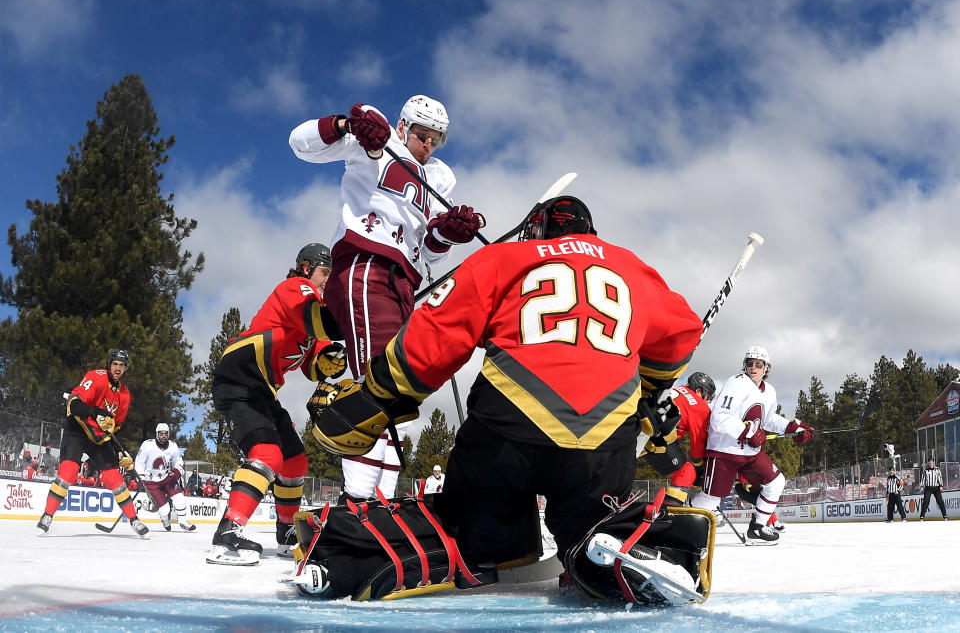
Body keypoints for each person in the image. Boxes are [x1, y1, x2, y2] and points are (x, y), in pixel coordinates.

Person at [310, 196, 714, 603]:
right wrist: (648, 389)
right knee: (594, 521)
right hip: (607, 435)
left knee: (474, 521)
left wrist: (377, 396)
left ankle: (486, 551)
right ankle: (607, 550)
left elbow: (434, 337)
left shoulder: (502, 257)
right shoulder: (631, 266)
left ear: (535, 229)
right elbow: (682, 334)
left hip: (512, 422)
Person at [290, 95, 485, 502]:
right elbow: (300, 143)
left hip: (404, 284)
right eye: (422, 135)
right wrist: (344, 125)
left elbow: (432, 251)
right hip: (366, 264)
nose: (427, 145)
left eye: (436, 140)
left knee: (396, 393)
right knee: (374, 385)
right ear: (403, 127)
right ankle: (356, 505)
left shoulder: (442, 178)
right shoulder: (377, 142)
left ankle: (384, 504)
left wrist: (450, 230)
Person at [206, 243, 344, 566]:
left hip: (262, 388)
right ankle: (226, 535)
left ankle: (285, 534)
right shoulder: (296, 287)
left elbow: (313, 361)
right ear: (307, 267)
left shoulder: (313, 306)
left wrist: (329, 362)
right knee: (268, 454)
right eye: (326, 273)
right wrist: (349, 317)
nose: (328, 280)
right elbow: (320, 321)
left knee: (295, 462)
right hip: (240, 376)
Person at [690, 346, 815, 545]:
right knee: (711, 500)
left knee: (776, 482)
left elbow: (768, 419)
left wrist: (792, 427)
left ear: (766, 368)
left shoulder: (770, 391)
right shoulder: (735, 383)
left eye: (759, 364)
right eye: (750, 363)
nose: (754, 368)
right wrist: (748, 432)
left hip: (750, 453)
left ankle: (757, 527)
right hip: (724, 451)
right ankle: (682, 519)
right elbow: (720, 418)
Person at [36, 349, 150, 539]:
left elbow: (116, 427)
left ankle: (134, 520)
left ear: (125, 368)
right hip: (78, 429)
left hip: (98, 437)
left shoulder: (125, 395)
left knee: (115, 479)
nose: (118, 368)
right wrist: (95, 412)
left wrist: (120, 451)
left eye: (122, 365)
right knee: (68, 472)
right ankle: (47, 515)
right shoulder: (96, 377)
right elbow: (73, 404)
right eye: (115, 364)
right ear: (109, 365)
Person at [655, 372, 716, 507]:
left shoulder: (677, 390)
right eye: (708, 396)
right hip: (656, 437)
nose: (707, 401)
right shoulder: (699, 406)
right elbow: (697, 445)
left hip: (640, 430)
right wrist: (700, 469)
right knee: (686, 473)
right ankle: (668, 513)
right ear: (699, 391)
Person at [135, 423, 196, 532]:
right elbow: (139, 463)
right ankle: (165, 519)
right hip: (151, 481)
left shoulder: (172, 446)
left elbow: (178, 461)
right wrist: (141, 478)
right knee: (165, 509)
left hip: (168, 478)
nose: (163, 436)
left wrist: (177, 471)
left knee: (180, 500)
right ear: (157, 434)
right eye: (161, 433)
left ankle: (182, 522)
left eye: (166, 433)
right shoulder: (147, 445)